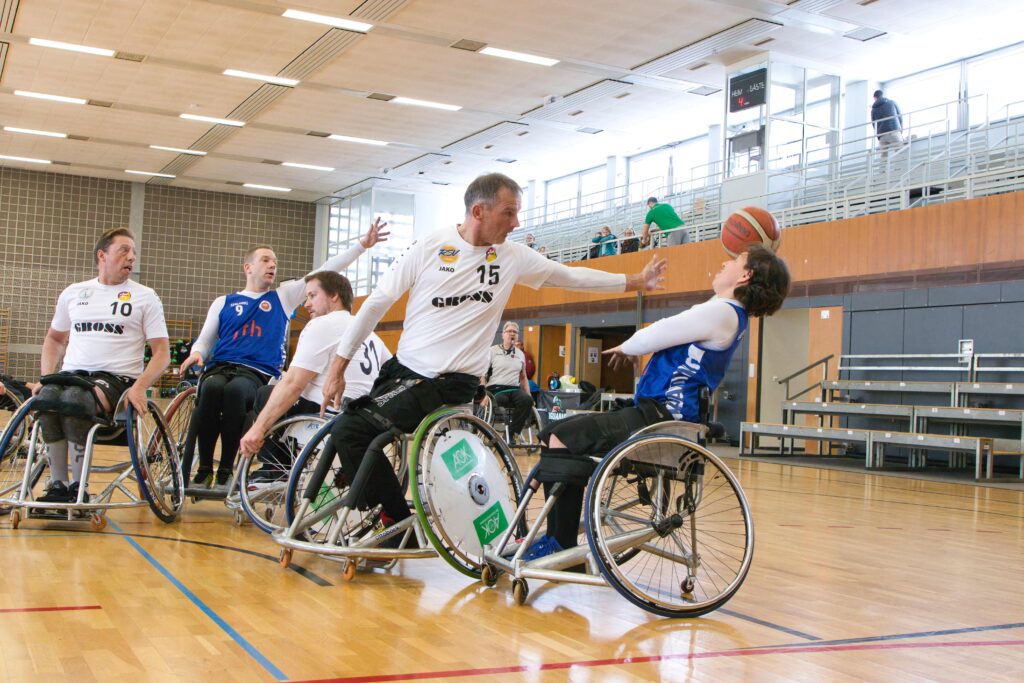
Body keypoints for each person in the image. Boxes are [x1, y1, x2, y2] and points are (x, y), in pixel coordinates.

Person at [317, 172, 667, 540]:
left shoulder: (511, 257)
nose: (516, 223)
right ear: (478, 211)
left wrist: (633, 281)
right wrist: (338, 366)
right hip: (402, 372)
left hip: (446, 383)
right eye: (509, 213)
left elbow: (569, 276)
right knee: (351, 429)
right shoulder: (430, 246)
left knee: (350, 429)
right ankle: (378, 506)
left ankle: (394, 523)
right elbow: (376, 304)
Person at [536, 245, 790, 552]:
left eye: (735, 260)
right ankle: (554, 538)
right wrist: (634, 347)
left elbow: (662, 330)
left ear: (745, 275)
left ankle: (559, 545)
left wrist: (629, 345)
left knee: (562, 437)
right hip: (662, 416)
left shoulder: (724, 312)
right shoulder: (728, 313)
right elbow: (686, 321)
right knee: (554, 433)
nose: (726, 263)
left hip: (663, 419)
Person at [179, 220, 388, 487]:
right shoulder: (224, 302)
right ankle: (205, 467)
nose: (272, 265)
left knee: (235, 393)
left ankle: (227, 470)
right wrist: (197, 352)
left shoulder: (283, 296)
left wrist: (360, 246)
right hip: (222, 365)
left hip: (256, 371)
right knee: (210, 388)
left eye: (275, 261)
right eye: (266, 260)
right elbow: (206, 338)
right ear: (248, 267)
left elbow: (325, 271)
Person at [33, 227, 170, 503]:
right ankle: (58, 485)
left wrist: (140, 387)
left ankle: (78, 487)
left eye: (134, 252)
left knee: (75, 399)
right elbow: (55, 339)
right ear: (102, 255)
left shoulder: (145, 297)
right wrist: (46, 378)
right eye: (124, 250)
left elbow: (162, 354)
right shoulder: (74, 292)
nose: (131, 257)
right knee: (47, 398)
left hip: (116, 380)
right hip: (72, 375)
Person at [238, 271, 390, 480]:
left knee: (267, 393)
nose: (306, 304)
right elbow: (388, 371)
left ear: (334, 295)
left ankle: (275, 468)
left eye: (312, 296)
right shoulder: (369, 332)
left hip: (328, 413)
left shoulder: (322, 324)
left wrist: (258, 428)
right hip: (363, 416)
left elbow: (293, 384)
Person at [480, 322, 534, 443]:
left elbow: (523, 377)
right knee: (500, 400)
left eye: (515, 332)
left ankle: (511, 433)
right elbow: (482, 374)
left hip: (514, 388)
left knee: (527, 401)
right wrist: (483, 394)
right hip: (496, 388)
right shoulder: (492, 351)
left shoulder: (520, 354)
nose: (512, 334)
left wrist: (529, 394)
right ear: (503, 334)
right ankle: (489, 433)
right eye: (509, 331)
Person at [871, 90, 904, 159]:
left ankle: (883, 166)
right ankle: (899, 166)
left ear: (874, 97)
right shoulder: (892, 102)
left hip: (882, 135)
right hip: (894, 130)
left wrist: (879, 135)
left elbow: (874, 124)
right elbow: (900, 117)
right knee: (900, 152)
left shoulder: (873, 109)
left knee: (884, 156)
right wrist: (901, 131)